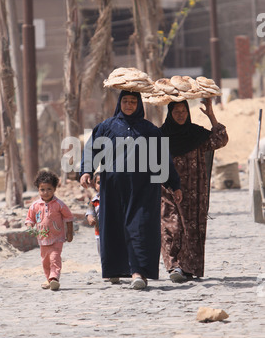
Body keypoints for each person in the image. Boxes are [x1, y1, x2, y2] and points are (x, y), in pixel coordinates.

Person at [80, 90, 181, 289]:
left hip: (144, 189)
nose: (128, 105)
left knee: (141, 228)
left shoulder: (150, 130)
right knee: (115, 227)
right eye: (125, 101)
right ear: (119, 103)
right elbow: (92, 149)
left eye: (133, 101)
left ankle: (139, 273)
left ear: (139, 104)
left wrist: (174, 184)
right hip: (114, 188)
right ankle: (116, 269)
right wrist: (86, 170)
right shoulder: (106, 127)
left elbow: (163, 158)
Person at [160, 98, 228, 283]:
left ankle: (188, 268)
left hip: (195, 191)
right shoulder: (161, 135)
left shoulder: (196, 134)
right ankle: (175, 266)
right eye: (176, 111)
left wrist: (211, 114)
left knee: (191, 229)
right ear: (170, 113)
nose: (180, 115)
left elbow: (220, 140)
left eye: (183, 111)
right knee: (172, 227)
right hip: (168, 191)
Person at [25, 170, 74, 291]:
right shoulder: (35, 205)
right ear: (38, 189)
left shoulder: (59, 204)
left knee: (54, 258)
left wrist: (69, 233)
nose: (46, 192)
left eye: (49, 189)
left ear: (54, 189)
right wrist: (30, 227)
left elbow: (69, 218)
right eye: (42, 189)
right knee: (45, 261)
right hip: (42, 239)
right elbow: (29, 219)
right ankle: (49, 279)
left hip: (57, 238)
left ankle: (54, 278)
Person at [85, 171, 101, 255]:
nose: (102, 185)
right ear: (94, 185)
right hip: (99, 232)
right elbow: (89, 212)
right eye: (99, 183)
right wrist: (90, 218)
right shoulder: (94, 201)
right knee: (102, 253)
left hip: (115, 231)